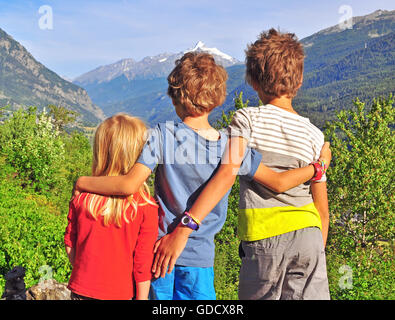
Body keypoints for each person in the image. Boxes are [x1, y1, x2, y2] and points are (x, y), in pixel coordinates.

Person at [73, 52, 331, 300]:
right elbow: (279, 182)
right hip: (200, 260)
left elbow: (129, 185)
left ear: (176, 98)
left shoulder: (163, 136)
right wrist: (317, 167)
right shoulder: (232, 146)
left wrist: (83, 182)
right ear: (218, 99)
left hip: (160, 253)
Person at [162, 29, 331, 300]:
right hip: (310, 237)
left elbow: (229, 169)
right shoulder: (315, 135)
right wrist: (316, 251)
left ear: (252, 81)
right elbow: (322, 211)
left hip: (266, 237)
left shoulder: (247, 119)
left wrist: (186, 225)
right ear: (299, 82)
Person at [64, 114, 158, 300]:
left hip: (81, 290)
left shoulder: (82, 199)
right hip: (121, 294)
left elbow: (69, 243)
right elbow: (142, 264)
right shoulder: (145, 206)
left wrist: (84, 273)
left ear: (100, 152)